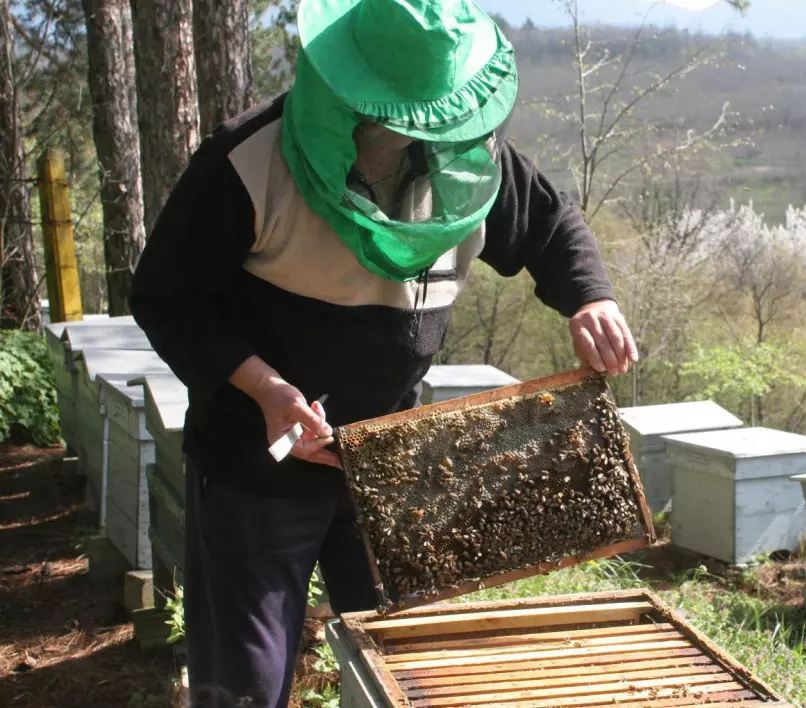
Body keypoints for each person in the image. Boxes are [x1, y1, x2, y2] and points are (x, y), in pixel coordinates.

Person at [129, 0, 639, 706]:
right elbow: (166, 296)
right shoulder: (246, 160)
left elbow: (551, 227)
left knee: (407, 670)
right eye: (393, 116)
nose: (409, 133)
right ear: (344, 88)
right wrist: (265, 387)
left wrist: (592, 298)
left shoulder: (471, 158)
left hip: (388, 459)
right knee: (245, 686)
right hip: (256, 461)